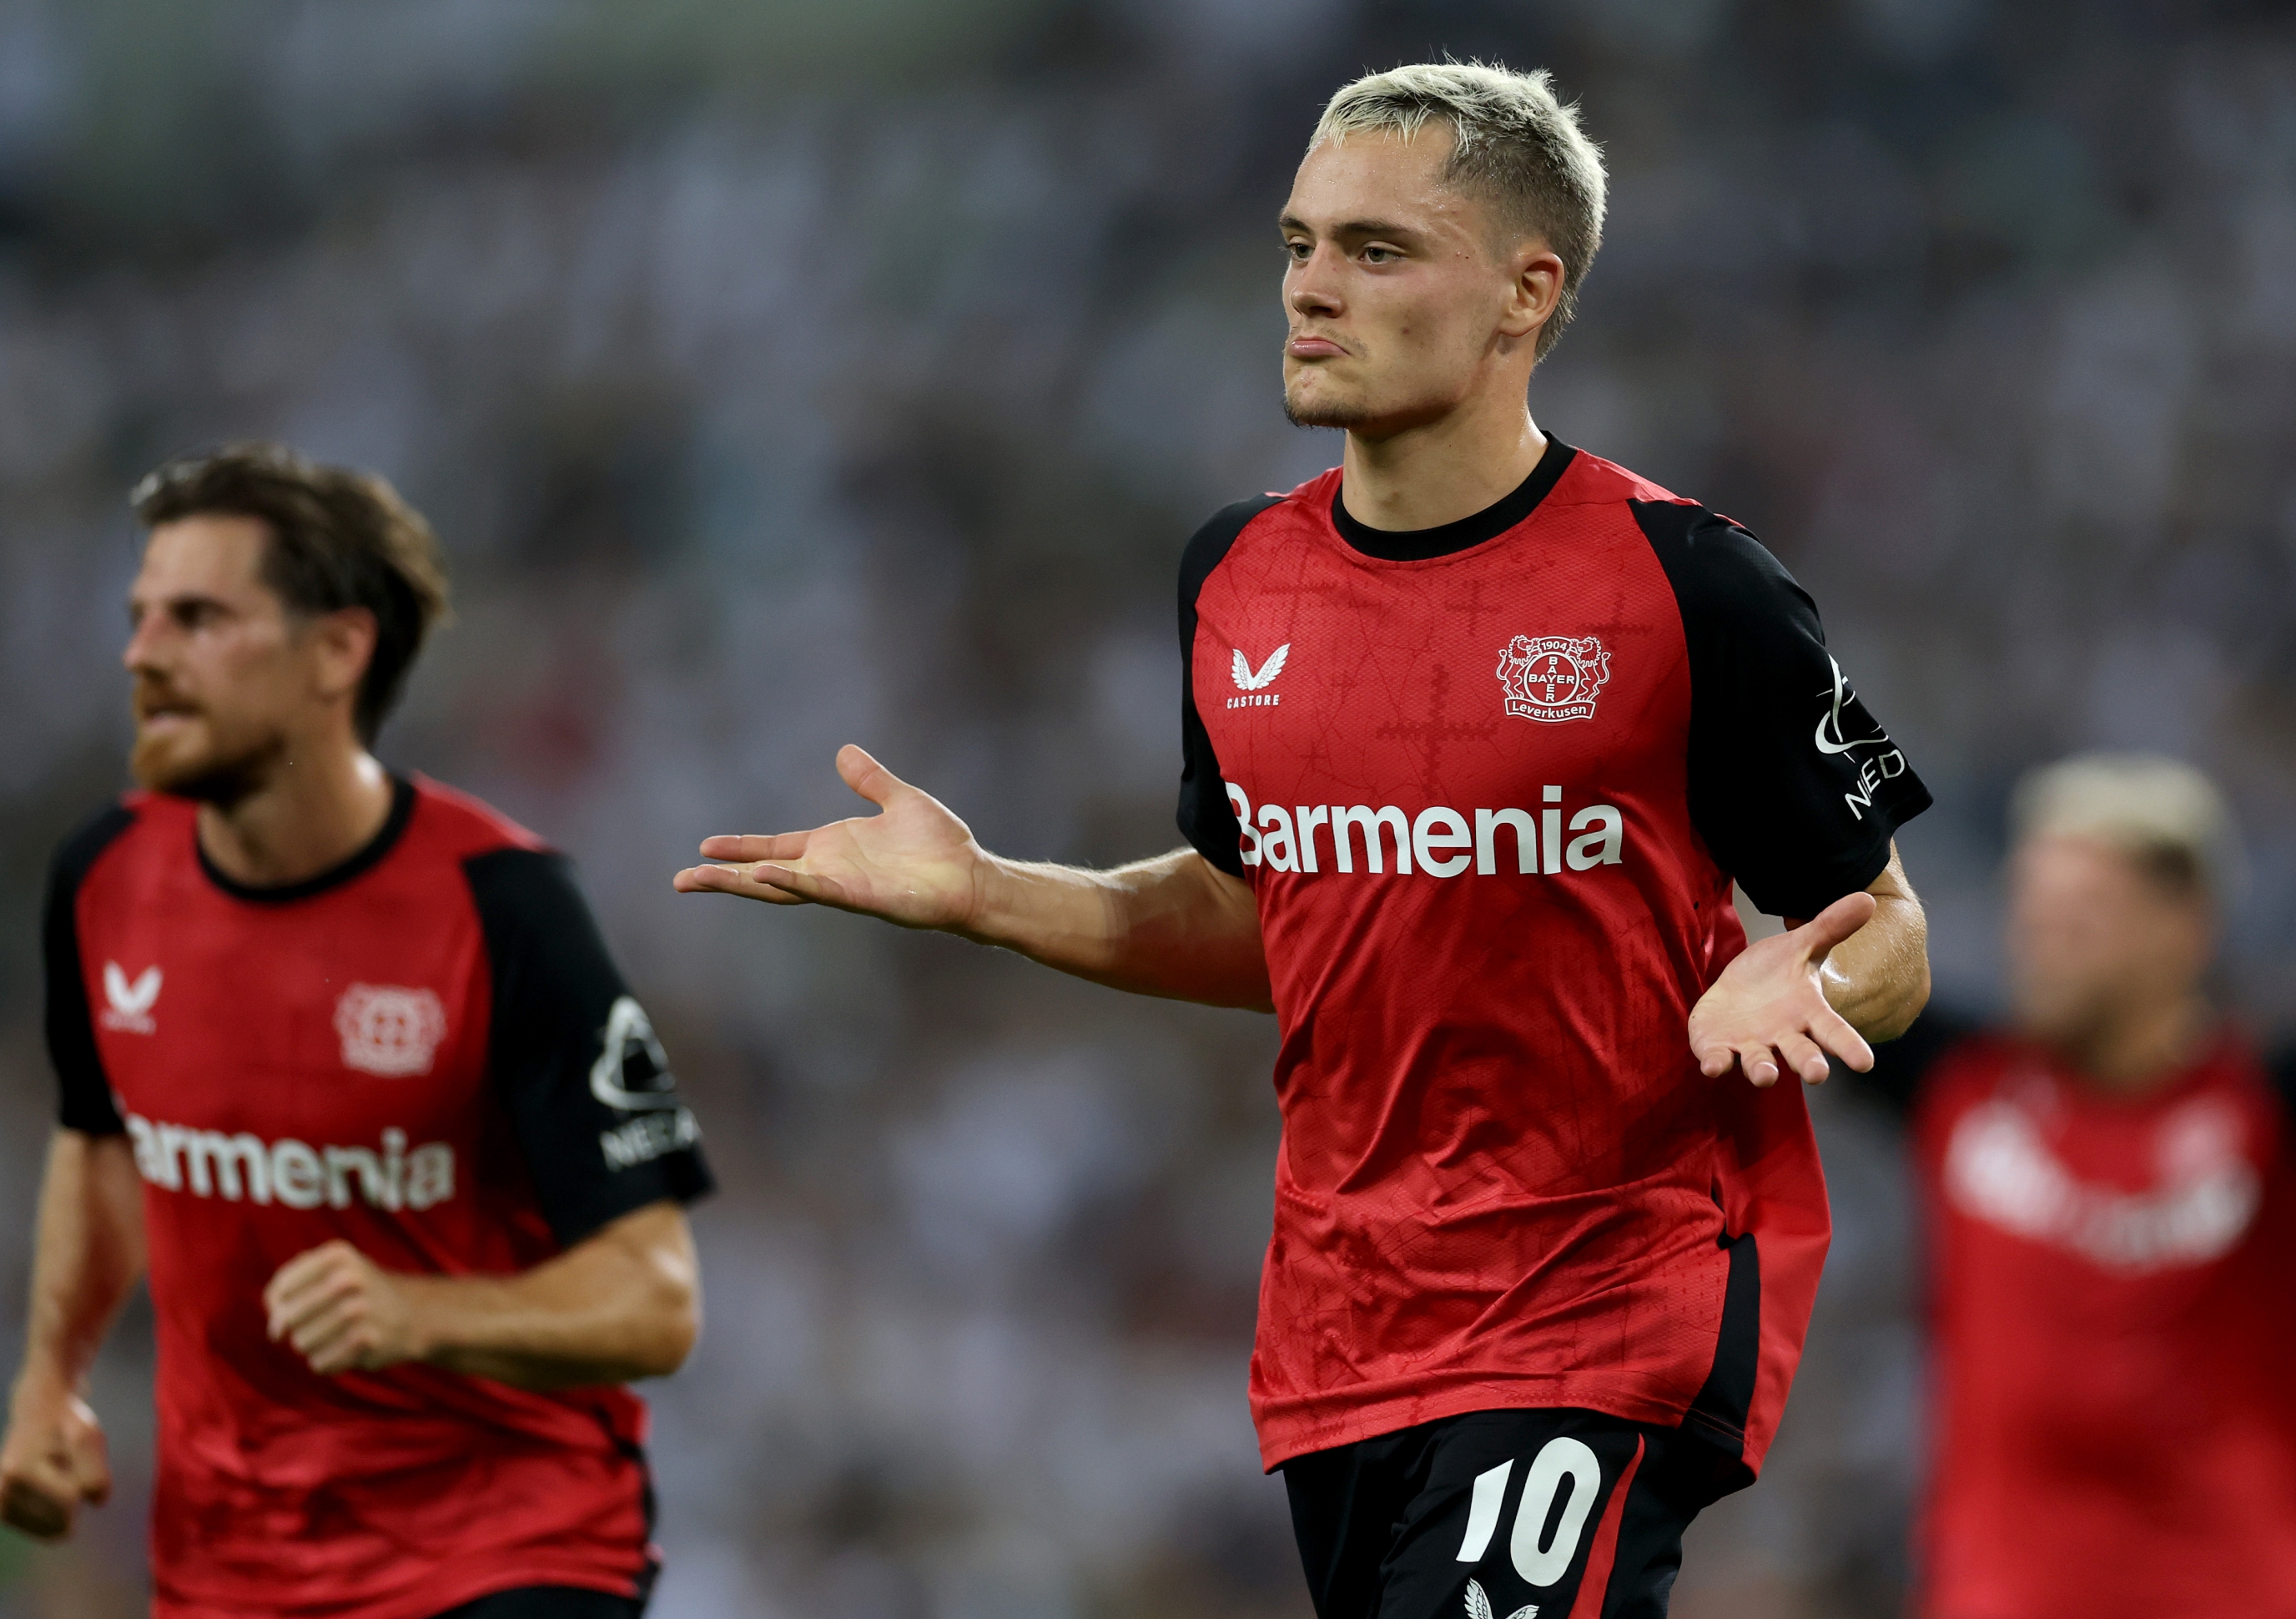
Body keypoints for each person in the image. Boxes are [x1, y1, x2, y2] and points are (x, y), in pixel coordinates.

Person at [676, 61, 1933, 1619]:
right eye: (1297, 245)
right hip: (1345, 1329)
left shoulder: (1699, 585)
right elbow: (1259, 915)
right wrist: (994, 895)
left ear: (1525, 294)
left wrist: (1800, 986)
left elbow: (1887, 923)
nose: (1311, 289)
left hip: (1602, 1298)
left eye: (1376, 250)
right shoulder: (1236, 577)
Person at [0, 444, 714, 1619]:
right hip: (237, 1570)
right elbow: (104, 1147)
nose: (142, 655)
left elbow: (657, 1301)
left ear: (339, 650)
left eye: (198, 618)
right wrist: (47, 1383)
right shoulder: (104, 879)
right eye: (140, 618)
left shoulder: (506, 909)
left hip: (510, 1549)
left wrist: (424, 1312)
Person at [1856, 754, 2296, 1618]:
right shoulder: (1959, 1084)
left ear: (2184, 925)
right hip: (1995, 1595)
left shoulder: (2262, 1116)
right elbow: (1777, 958)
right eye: (2032, 910)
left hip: (2225, 1589)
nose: (2038, 943)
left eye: (2081, 917)